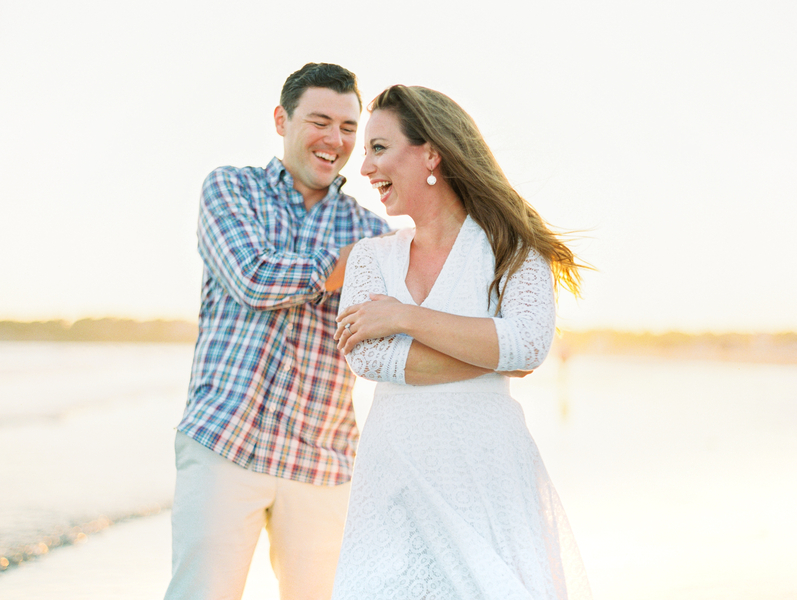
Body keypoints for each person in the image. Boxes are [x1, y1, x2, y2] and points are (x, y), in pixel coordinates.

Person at [331, 85, 592, 600]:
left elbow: (529, 345)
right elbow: (370, 357)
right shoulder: (369, 257)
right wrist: (492, 351)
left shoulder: (512, 248)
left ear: (430, 152)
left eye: (378, 148)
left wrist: (404, 316)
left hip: (486, 475)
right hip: (393, 477)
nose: (364, 168)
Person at [164, 63, 390, 600]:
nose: (335, 139)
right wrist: (349, 266)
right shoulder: (230, 189)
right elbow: (253, 278)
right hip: (226, 440)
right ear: (281, 120)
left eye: (348, 128)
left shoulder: (371, 230)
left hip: (323, 457)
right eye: (319, 121)